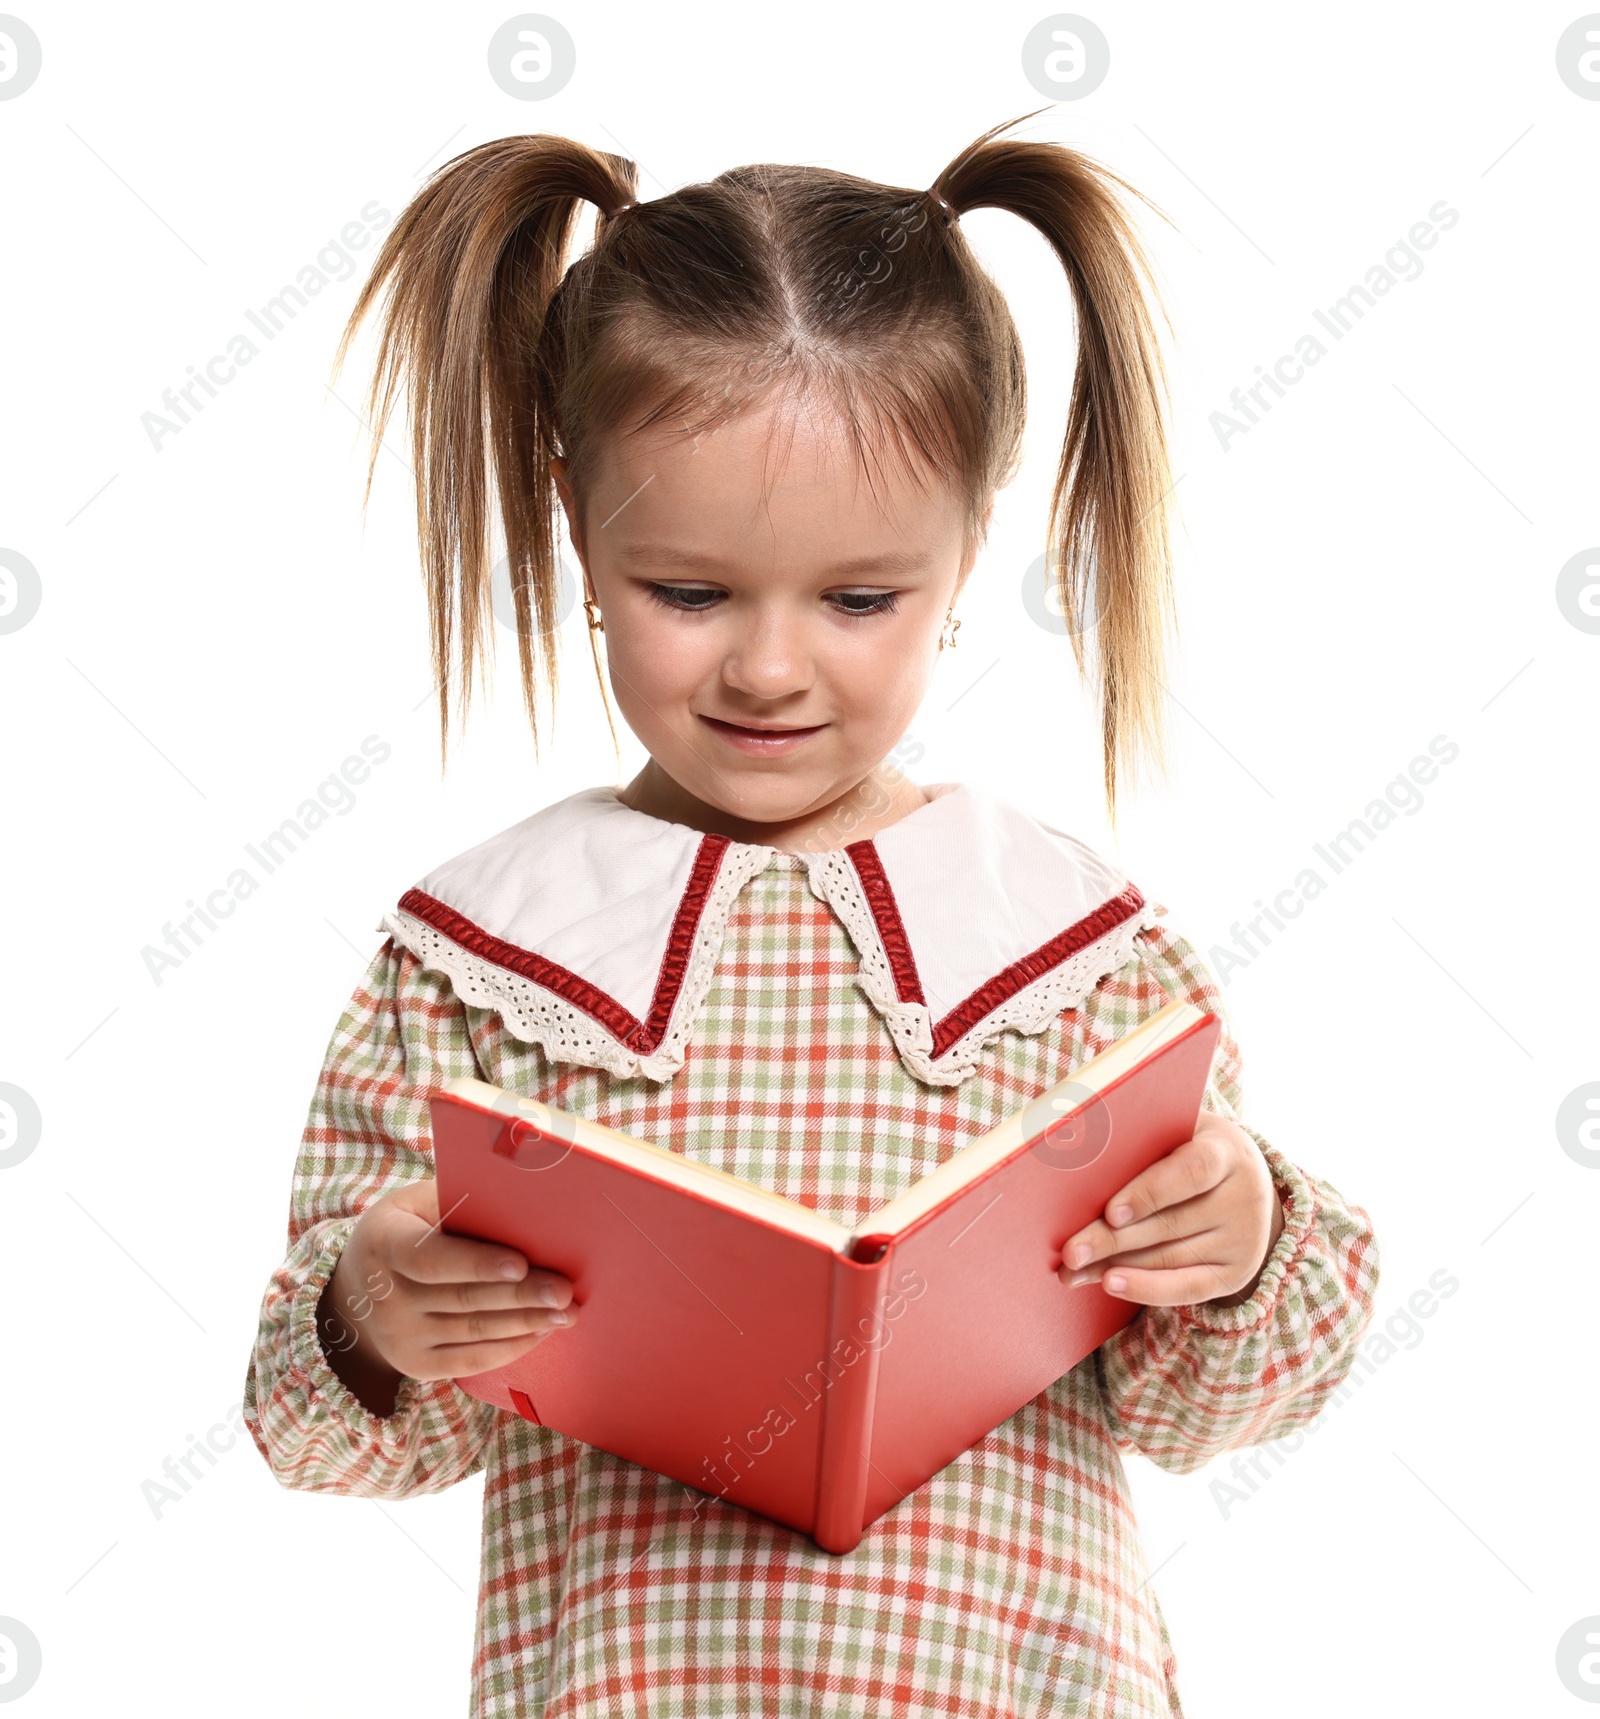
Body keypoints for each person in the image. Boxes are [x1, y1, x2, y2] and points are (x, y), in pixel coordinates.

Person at [243, 110, 1379, 1717]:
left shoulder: (1073, 947)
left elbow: (1213, 1408)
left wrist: (1240, 1237)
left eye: (861, 599)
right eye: (689, 593)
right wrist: (376, 1312)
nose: (770, 670)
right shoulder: (480, 964)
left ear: (968, 545)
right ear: (578, 520)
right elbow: (324, 1432)